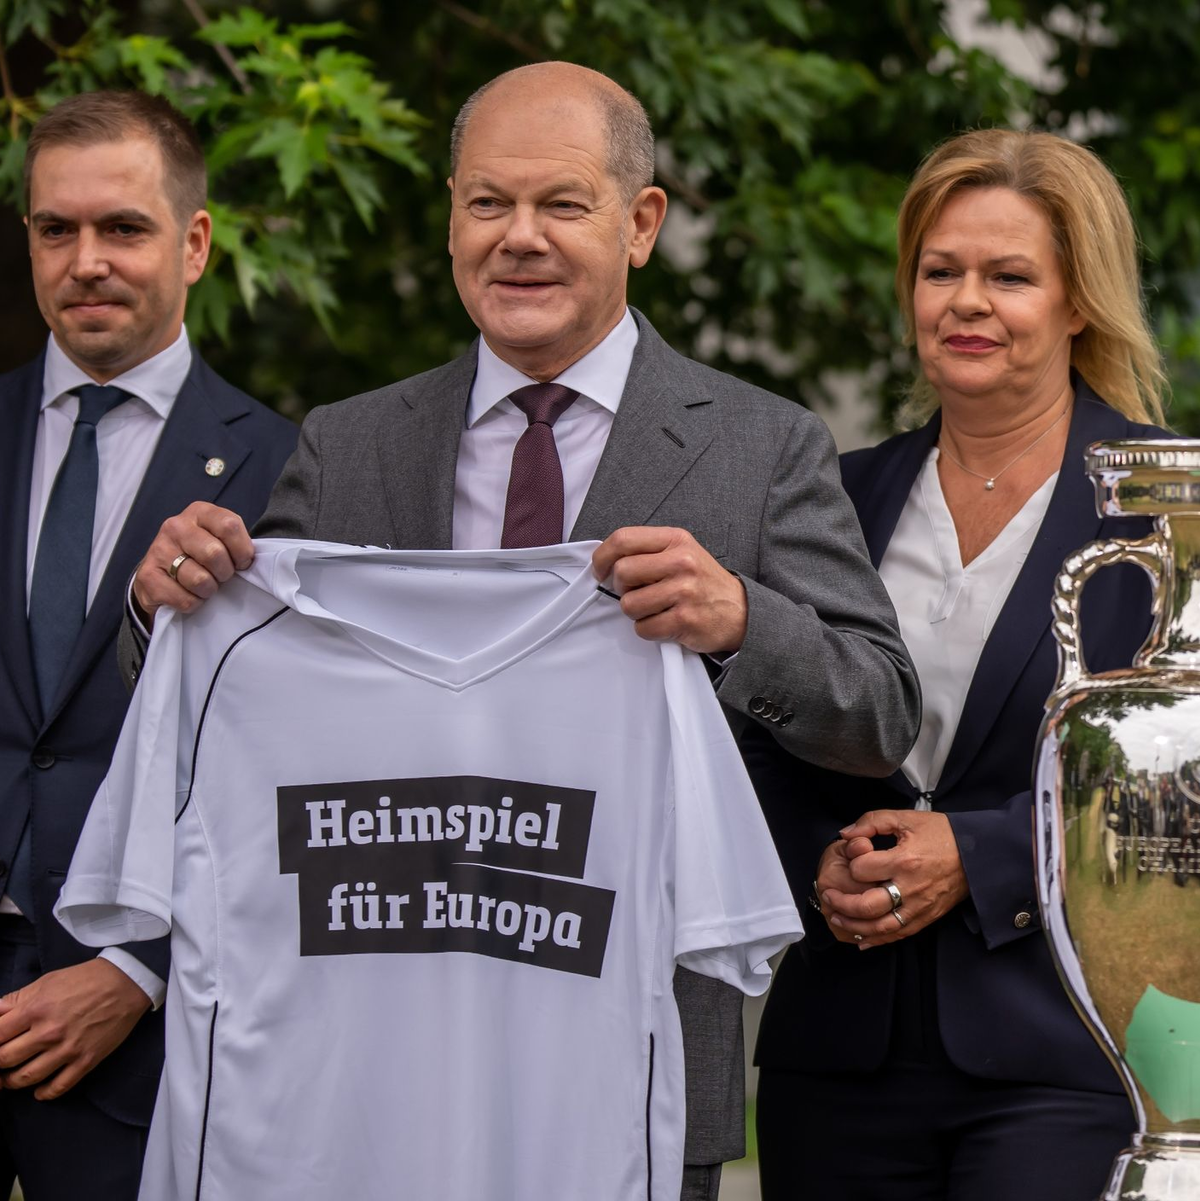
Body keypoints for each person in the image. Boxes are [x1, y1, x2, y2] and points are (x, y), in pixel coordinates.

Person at [125, 62, 920, 1200]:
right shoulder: (349, 444)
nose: (520, 238)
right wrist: (167, 605)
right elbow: (237, 699)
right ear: (451, 218)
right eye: (488, 203)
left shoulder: (761, 445)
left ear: (641, 223)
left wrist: (742, 622)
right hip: (364, 1055)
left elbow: (880, 712)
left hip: (625, 1054)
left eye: (562, 204)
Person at [753, 128, 1170, 1200]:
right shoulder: (830, 496)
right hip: (835, 1051)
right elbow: (760, 732)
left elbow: (1183, 783)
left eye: (1009, 276)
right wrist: (816, 861)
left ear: (1078, 303)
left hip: (1069, 1052)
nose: (967, 302)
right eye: (940, 272)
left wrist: (983, 857)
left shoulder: (1168, 511)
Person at [0, 91, 297, 1200]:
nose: (86, 261)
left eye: (123, 227)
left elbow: (293, 781)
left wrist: (138, 969)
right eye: (56, 229)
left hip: (137, 1038)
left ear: (196, 243)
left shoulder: (290, 471)